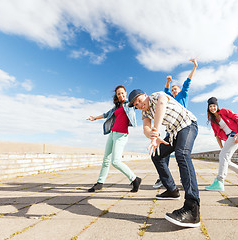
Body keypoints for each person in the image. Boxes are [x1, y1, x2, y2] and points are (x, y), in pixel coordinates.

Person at [128, 89, 200, 228]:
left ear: (145, 95)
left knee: (182, 154)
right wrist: (152, 135)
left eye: (140, 101)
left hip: (187, 125)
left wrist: (156, 129)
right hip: (174, 133)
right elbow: (145, 128)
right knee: (156, 155)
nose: (140, 105)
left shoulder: (156, 96)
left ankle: (193, 209)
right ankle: (172, 190)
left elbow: (162, 103)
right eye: (136, 105)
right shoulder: (145, 112)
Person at [86, 85, 141, 193]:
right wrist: (94, 118)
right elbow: (106, 114)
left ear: (126, 92)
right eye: (118, 93)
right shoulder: (116, 107)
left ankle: (134, 179)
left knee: (115, 161)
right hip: (112, 133)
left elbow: (140, 103)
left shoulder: (130, 104)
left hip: (121, 135)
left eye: (122, 93)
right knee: (106, 160)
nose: (121, 95)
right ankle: (100, 183)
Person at [153, 58, 198, 189]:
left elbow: (188, 82)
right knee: (162, 154)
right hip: (171, 128)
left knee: (182, 154)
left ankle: (185, 180)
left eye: (175, 89)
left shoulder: (183, 94)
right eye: (173, 90)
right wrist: (168, 82)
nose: (174, 91)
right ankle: (163, 178)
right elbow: (164, 92)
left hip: (184, 125)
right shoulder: (170, 98)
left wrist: (194, 66)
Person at [205, 97, 238, 191]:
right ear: (208, 108)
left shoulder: (224, 111)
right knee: (225, 160)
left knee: (223, 157)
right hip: (229, 138)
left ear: (217, 106)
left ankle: (219, 181)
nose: (212, 108)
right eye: (210, 106)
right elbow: (217, 136)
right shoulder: (213, 121)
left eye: (214, 106)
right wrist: (222, 148)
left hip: (236, 135)